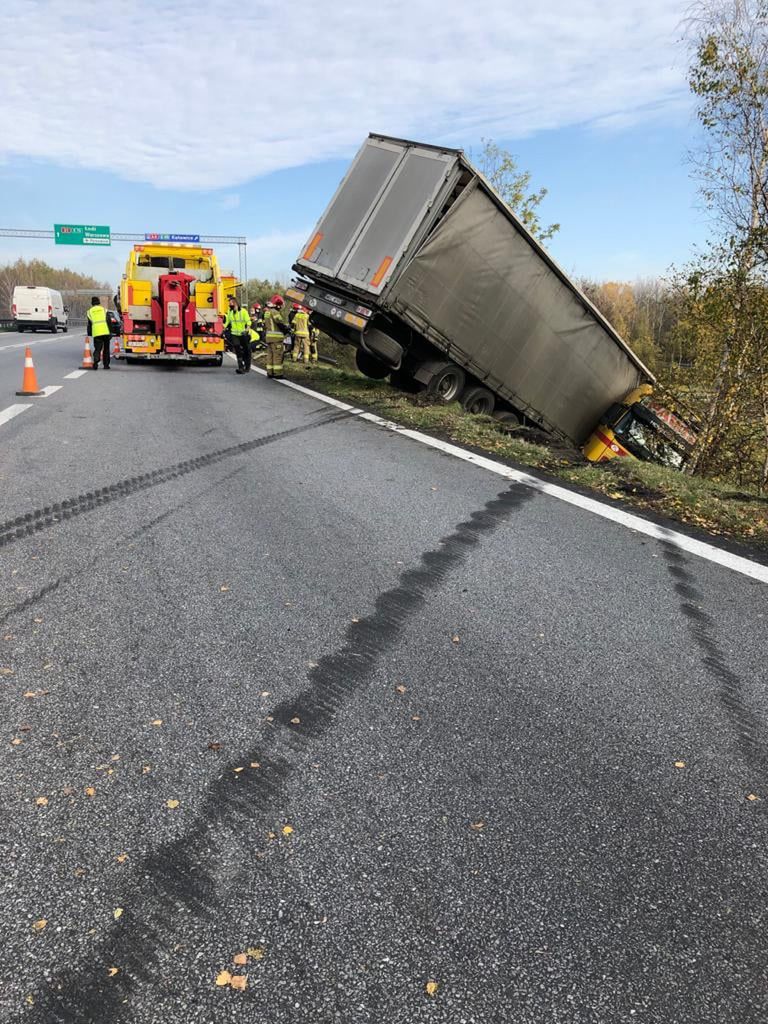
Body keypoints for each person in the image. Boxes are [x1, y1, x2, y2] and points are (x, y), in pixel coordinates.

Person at [223, 296, 252, 373]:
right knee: (237, 349)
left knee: (246, 350)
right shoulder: (230, 312)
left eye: (231, 303)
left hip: (243, 334)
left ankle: (247, 366)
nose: (229, 305)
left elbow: (248, 322)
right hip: (234, 334)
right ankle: (241, 367)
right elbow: (227, 322)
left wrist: (246, 330)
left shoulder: (243, 311)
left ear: (235, 304)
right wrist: (223, 328)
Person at [263, 295, 288, 379]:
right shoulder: (275, 312)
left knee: (270, 355)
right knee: (277, 355)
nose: (280, 307)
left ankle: (270, 372)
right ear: (278, 305)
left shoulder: (267, 312)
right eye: (280, 305)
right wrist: (286, 330)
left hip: (269, 338)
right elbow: (279, 323)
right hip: (276, 338)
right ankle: (278, 373)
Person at [86, 296, 111, 370]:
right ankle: (106, 365)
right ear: (99, 302)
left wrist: (90, 333)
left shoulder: (89, 312)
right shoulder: (104, 310)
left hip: (96, 332)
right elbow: (109, 321)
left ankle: (96, 361)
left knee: (97, 348)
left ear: (92, 303)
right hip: (105, 331)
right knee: (106, 349)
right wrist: (110, 332)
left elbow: (89, 324)